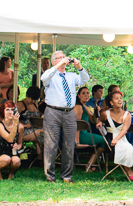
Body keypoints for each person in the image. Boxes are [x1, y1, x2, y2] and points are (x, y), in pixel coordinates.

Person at [40, 50, 89, 183]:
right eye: (59, 58)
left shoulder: (72, 76)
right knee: (51, 145)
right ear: (53, 61)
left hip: (69, 112)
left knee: (69, 145)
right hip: (52, 111)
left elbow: (85, 79)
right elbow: (43, 78)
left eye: (64, 57)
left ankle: (67, 175)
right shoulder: (51, 75)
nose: (63, 59)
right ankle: (50, 176)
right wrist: (56, 66)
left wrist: (80, 67)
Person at [99, 90, 133, 180]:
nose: (120, 100)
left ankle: (127, 168)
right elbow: (100, 119)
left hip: (122, 137)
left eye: (120, 98)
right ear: (111, 103)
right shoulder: (106, 113)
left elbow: (124, 130)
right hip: (110, 138)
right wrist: (100, 122)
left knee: (129, 147)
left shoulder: (127, 115)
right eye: (116, 99)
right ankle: (128, 170)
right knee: (124, 148)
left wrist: (116, 139)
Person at [0, 100, 24, 180]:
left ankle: (11, 173)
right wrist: (15, 123)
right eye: (7, 110)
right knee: (6, 159)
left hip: (12, 152)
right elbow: (10, 139)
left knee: (16, 161)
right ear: (3, 112)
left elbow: (19, 143)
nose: (10, 112)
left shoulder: (20, 127)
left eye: (12, 110)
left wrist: (17, 147)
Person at [74, 86, 106, 172]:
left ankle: (91, 163)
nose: (86, 95)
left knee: (103, 140)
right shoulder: (78, 107)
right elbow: (76, 125)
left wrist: (96, 112)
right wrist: (77, 142)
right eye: (83, 93)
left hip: (85, 133)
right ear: (79, 96)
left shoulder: (85, 107)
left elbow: (93, 120)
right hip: (80, 135)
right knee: (104, 141)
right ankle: (90, 164)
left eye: (88, 93)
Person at [16, 86, 44, 150]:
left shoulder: (35, 105)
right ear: (27, 95)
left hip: (37, 128)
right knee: (42, 133)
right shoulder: (20, 105)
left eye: (35, 100)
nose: (33, 101)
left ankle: (41, 156)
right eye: (32, 99)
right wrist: (23, 125)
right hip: (25, 131)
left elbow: (40, 116)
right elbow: (13, 119)